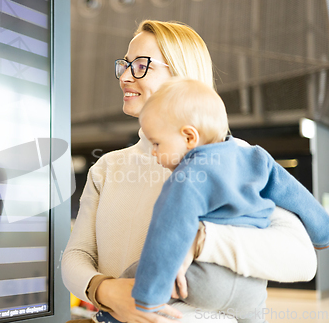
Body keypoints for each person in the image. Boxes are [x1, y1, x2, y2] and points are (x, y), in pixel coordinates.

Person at [62, 20, 317, 323]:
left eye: (141, 65)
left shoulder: (235, 159)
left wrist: (199, 239)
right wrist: (105, 291)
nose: (126, 76)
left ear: (182, 75)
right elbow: (76, 257)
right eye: (125, 65)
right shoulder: (108, 167)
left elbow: (301, 260)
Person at [123, 77, 329, 322]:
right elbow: (296, 196)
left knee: (130, 275)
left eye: (156, 143)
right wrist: (322, 232)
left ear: (189, 137)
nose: (154, 152)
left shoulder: (187, 176)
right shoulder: (255, 157)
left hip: (206, 282)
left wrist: (148, 297)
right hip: (252, 287)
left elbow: (167, 231)